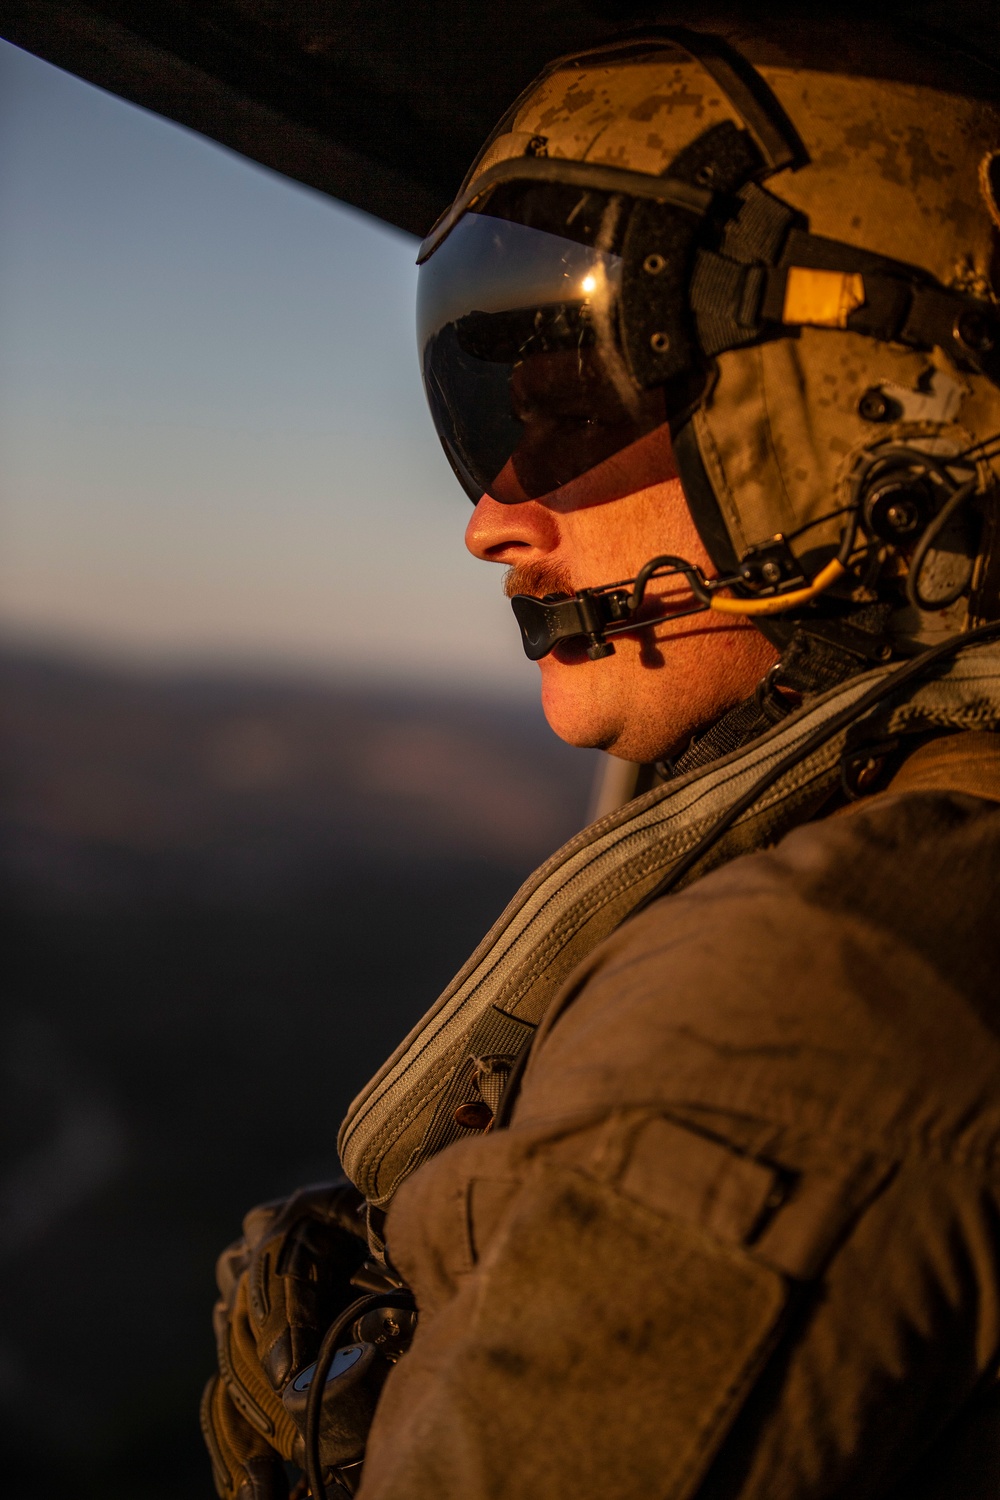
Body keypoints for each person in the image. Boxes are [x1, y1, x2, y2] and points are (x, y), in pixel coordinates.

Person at [202, 15, 1000, 1499]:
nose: (494, 516)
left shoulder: (795, 1002)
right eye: (494, 433)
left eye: (571, 422)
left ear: (862, 418)